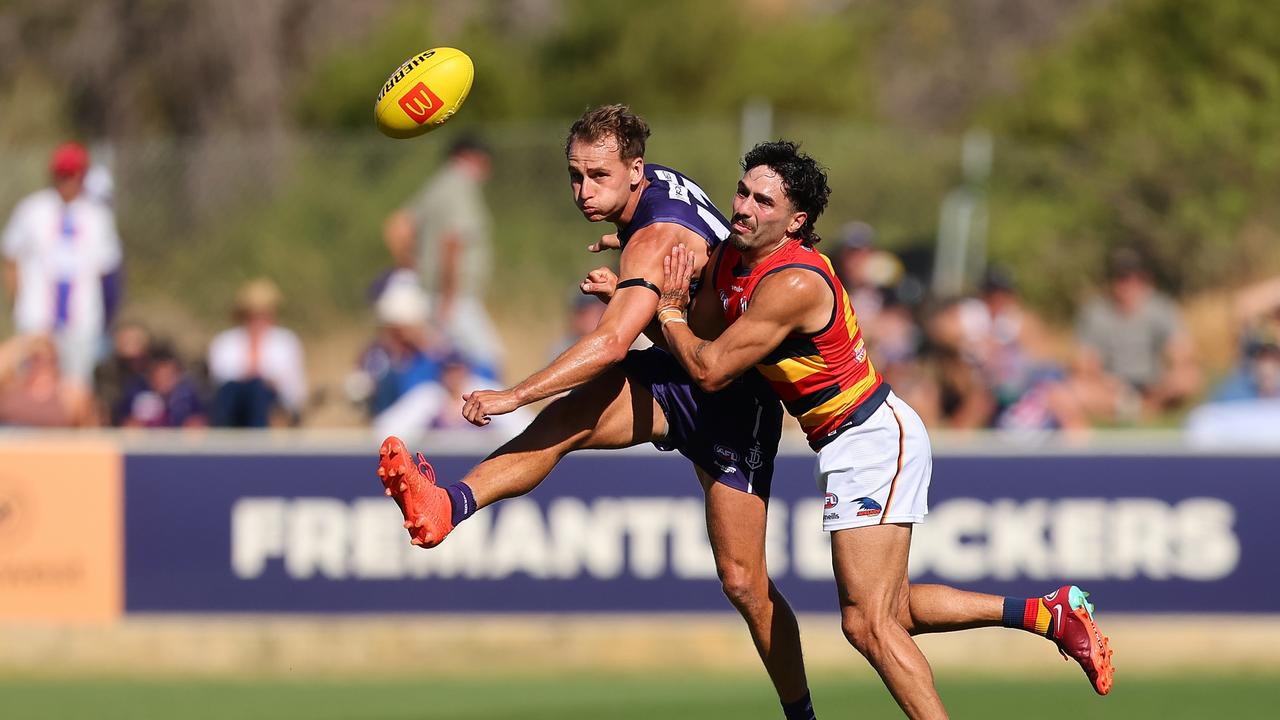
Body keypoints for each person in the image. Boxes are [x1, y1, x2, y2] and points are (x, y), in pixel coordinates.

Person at [377, 105, 818, 720]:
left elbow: (611, 343)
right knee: (565, 425)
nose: (584, 190)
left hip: (733, 400)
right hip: (675, 371)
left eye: (599, 176)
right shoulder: (652, 194)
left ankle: (801, 713)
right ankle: (446, 505)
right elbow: (699, 248)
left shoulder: (652, 238)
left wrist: (512, 394)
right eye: (575, 175)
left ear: (634, 169)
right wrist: (635, 268)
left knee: (743, 582)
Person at [652, 141, 1113, 718]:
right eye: (743, 192)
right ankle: (1049, 614)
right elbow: (696, 330)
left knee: (868, 624)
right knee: (888, 613)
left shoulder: (794, 281)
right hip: (853, 440)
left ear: (796, 222)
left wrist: (663, 307)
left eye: (762, 200)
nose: (743, 206)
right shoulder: (731, 259)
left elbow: (710, 367)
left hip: (871, 436)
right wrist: (638, 287)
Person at [2, 141, 123, 385]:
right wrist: (18, 299)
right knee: (33, 386)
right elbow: (11, 256)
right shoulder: (32, 209)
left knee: (76, 386)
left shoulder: (97, 216)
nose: (68, 181)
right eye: (63, 174)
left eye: (74, 174)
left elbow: (107, 269)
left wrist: (108, 318)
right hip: (36, 317)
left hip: (81, 319)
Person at [382, 136, 502, 377]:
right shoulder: (460, 185)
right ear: (469, 157)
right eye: (484, 161)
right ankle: (489, 412)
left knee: (446, 363)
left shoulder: (437, 185)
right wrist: (449, 295)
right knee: (488, 358)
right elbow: (452, 242)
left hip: (434, 293)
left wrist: (412, 267)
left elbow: (396, 227)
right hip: (453, 297)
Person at [1071, 248, 1199, 422]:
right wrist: (1106, 381)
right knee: (1077, 389)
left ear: (1145, 278)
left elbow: (1182, 351)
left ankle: (1139, 409)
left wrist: (1172, 372)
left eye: (1135, 277)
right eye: (1121, 278)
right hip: (1111, 386)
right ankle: (1143, 410)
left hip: (1154, 384)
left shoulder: (1160, 307)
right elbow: (1084, 362)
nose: (1128, 284)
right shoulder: (1095, 312)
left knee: (1188, 378)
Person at [207, 278, 307, 427]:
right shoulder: (224, 341)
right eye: (254, 314)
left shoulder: (286, 341)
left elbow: (295, 385)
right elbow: (220, 378)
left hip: (270, 401)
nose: (259, 319)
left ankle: (258, 442)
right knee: (237, 390)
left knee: (257, 390)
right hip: (234, 400)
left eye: (264, 313)